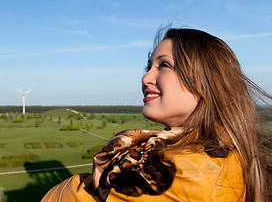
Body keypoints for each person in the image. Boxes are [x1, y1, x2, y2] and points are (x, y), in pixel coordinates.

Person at [42, 27, 272, 201]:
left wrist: (76, 184)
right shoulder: (202, 153)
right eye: (149, 66)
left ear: (205, 81)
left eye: (164, 65)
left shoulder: (194, 171)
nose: (145, 78)